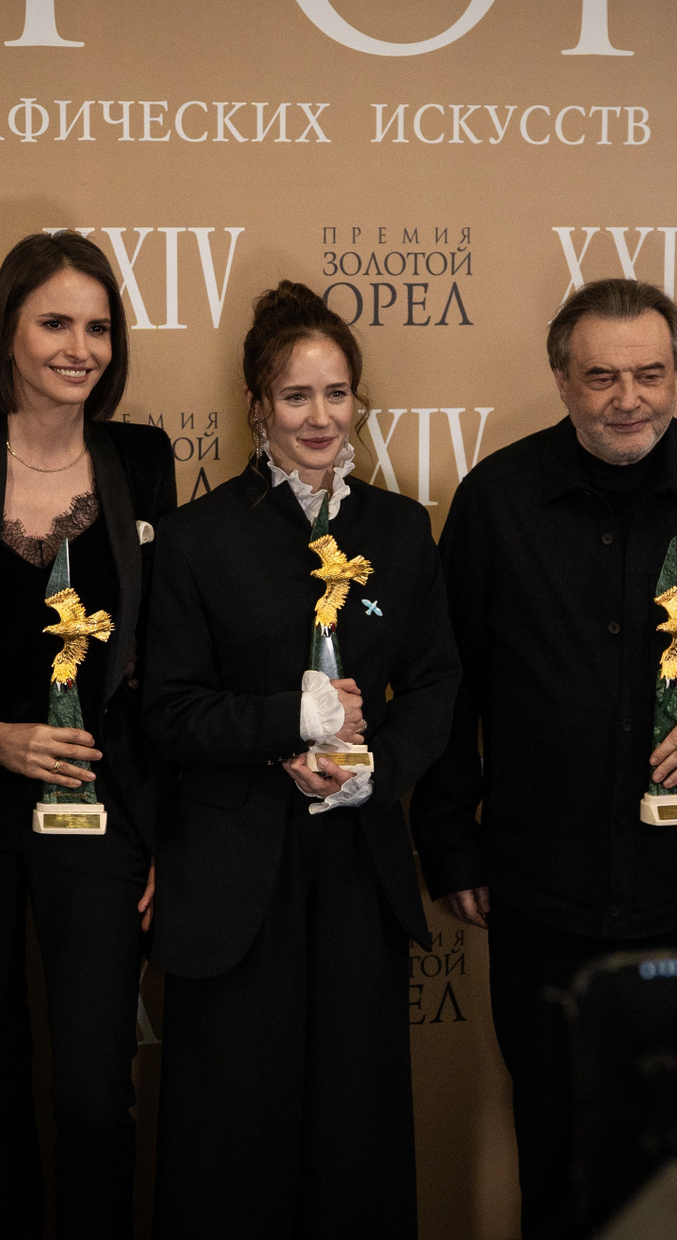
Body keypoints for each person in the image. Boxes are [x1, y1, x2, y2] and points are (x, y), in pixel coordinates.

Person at [410, 277, 677, 1238]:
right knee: (557, 1145)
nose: (628, 398)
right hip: (538, 888)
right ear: (563, 380)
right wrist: (452, 844)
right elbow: (446, 682)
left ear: (676, 374)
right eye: (602, 377)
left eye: (650, 374)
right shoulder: (497, 499)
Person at [143, 281, 461, 1239]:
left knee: (356, 1138)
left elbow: (437, 683)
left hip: (358, 868)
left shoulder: (400, 530)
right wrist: (286, 723)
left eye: (336, 394)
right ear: (257, 406)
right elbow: (167, 711)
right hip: (233, 877)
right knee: (231, 1136)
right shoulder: (196, 539)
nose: (319, 417)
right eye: (295, 396)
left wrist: (377, 769)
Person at [0, 232, 174, 1240]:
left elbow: (164, 661)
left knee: (95, 1091)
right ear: (8, 329)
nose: (79, 348)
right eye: (55, 322)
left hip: (100, 808)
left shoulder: (143, 461)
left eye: (98, 327)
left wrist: (164, 828)